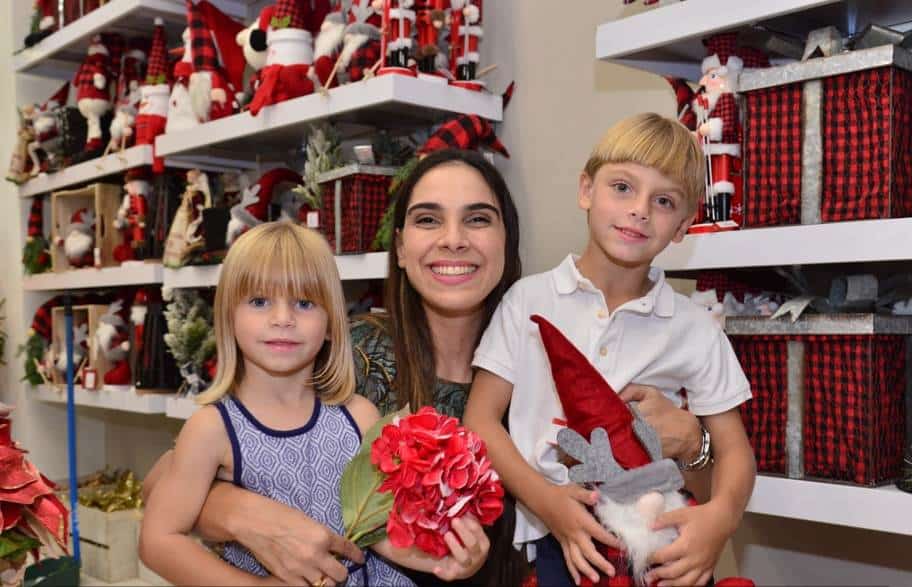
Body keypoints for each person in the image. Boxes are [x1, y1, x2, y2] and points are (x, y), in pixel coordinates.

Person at [142, 149, 707, 585]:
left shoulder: (553, 361)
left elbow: (668, 496)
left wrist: (695, 445)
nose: (454, 240)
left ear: (508, 243)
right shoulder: (343, 355)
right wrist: (249, 516)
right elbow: (167, 479)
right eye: (429, 220)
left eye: (478, 220)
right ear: (402, 249)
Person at [464, 113, 757, 587]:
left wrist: (719, 520)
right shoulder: (528, 300)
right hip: (554, 539)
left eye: (663, 201)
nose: (640, 209)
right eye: (622, 187)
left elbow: (735, 453)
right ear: (586, 190)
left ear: (683, 226)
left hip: (656, 541)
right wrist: (549, 503)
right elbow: (480, 420)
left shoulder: (696, 328)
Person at [138, 222, 490, 586]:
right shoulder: (212, 429)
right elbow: (159, 540)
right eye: (259, 301)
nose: (282, 319)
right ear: (228, 317)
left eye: (304, 303)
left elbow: (377, 531)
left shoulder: (359, 415)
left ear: (330, 324)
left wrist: (446, 560)